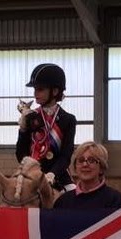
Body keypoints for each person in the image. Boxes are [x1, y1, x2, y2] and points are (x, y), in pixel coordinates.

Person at [16, 63, 77, 193]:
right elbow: (20, 153)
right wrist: (22, 131)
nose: (35, 93)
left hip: (58, 176)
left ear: (54, 91)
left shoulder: (68, 120)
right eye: (35, 89)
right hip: (31, 175)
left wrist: (52, 174)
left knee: (74, 197)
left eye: (40, 89)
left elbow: (66, 156)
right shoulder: (30, 117)